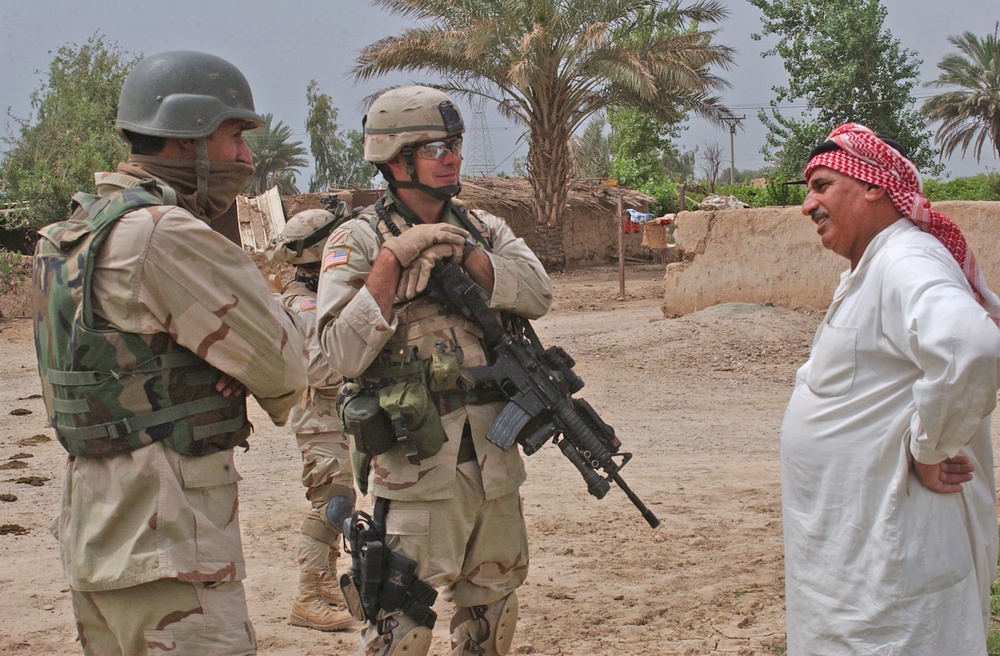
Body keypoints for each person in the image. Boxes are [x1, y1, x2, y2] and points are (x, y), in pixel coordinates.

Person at [31, 51, 307, 656]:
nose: (246, 156)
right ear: (186, 137)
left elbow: (119, 367)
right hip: (170, 549)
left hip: (96, 541)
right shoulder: (163, 233)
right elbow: (289, 370)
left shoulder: (71, 234)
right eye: (234, 135)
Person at [314, 85, 552, 656]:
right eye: (436, 147)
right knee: (401, 624)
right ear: (395, 160)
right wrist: (397, 259)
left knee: (492, 615)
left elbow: (538, 292)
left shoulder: (486, 229)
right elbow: (334, 357)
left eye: (456, 144)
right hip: (416, 465)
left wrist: (462, 253)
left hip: (494, 465)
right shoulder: (360, 241)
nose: (453, 157)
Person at [780, 123, 1000, 655]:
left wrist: (930, 448)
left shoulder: (905, 259)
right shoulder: (873, 266)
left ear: (874, 185)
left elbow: (971, 346)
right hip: (857, 565)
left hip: (895, 566)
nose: (808, 205)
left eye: (823, 185)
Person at [264, 206, 358, 632]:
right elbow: (321, 370)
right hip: (319, 417)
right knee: (330, 503)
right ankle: (307, 595)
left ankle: (324, 577)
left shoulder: (314, 298)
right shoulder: (304, 305)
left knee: (341, 498)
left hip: (330, 416)